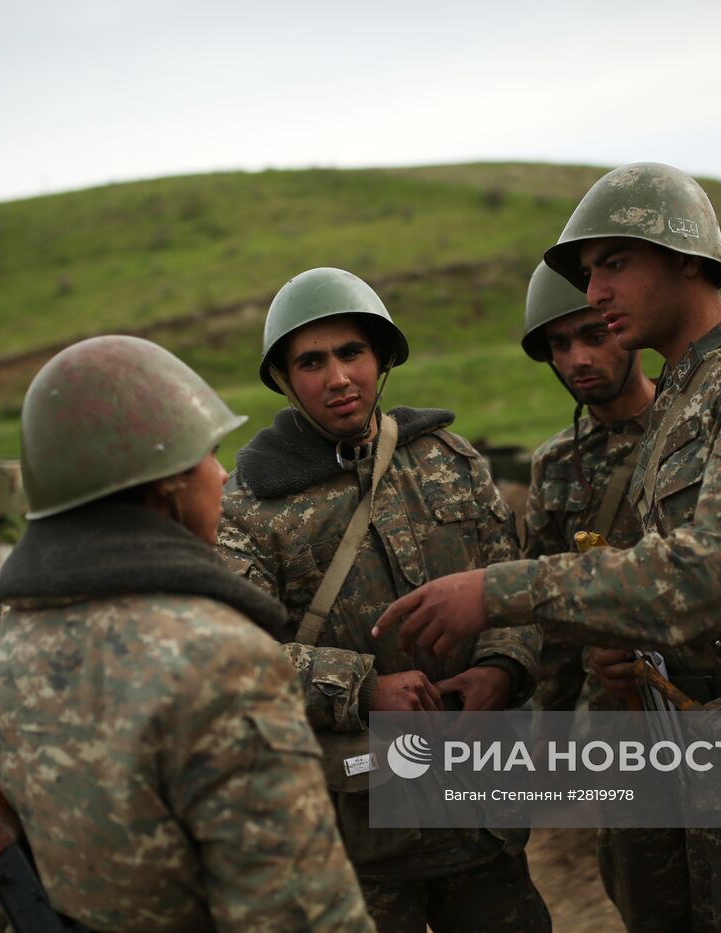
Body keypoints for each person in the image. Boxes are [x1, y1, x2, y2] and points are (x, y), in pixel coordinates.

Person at [375, 163, 721, 930]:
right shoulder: (690, 390)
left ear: (686, 258)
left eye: (614, 264)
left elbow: (717, 573)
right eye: (589, 274)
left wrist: (497, 591)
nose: (596, 292)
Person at [0, 335, 373, 932]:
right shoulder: (224, 663)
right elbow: (302, 915)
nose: (222, 475)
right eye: (208, 454)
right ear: (165, 481)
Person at [218, 267, 549, 933]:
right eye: (311, 361)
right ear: (285, 378)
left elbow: (514, 582)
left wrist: (502, 668)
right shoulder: (249, 508)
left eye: (351, 353)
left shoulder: (449, 459)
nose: (338, 377)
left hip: (479, 811)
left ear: (381, 360)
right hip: (359, 833)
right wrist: (364, 689)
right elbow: (236, 661)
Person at [521, 260, 692, 932]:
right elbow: (549, 622)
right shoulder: (555, 466)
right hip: (621, 726)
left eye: (592, 335)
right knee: (646, 898)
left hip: (719, 709)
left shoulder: (695, 430)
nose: (578, 359)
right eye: (560, 346)